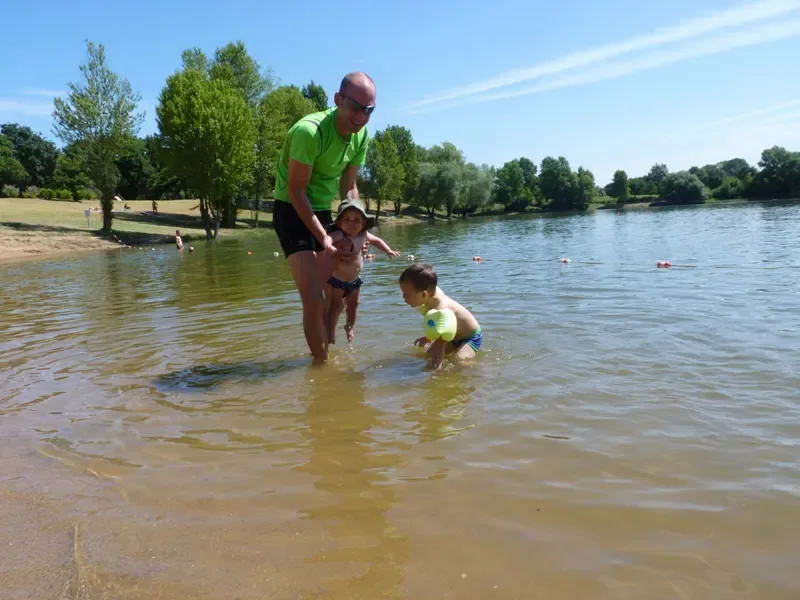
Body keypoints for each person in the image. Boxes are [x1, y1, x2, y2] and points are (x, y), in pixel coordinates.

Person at [272, 72, 376, 363]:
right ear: (338, 99)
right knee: (314, 298)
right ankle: (322, 369)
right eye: (356, 108)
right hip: (291, 209)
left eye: (369, 110)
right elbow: (296, 190)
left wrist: (357, 229)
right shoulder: (310, 132)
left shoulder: (361, 135)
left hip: (321, 210)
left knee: (335, 297)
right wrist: (323, 237)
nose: (361, 117)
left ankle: (323, 367)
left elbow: (349, 186)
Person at [326, 198, 400, 345]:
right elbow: (328, 238)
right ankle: (330, 334)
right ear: (340, 223)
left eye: (356, 220)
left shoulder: (364, 235)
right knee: (335, 308)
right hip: (337, 281)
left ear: (363, 223)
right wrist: (330, 247)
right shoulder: (341, 235)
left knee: (354, 305)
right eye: (346, 219)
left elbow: (377, 241)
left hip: (354, 281)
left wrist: (388, 250)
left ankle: (349, 326)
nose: (351, 223)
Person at [399, 263, 483, 370]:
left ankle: (484, 369)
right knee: (427, 356)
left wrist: (434, 371)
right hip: (452, 335)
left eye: (407, 294)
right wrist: (428, 337)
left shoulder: (441, 311)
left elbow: (440, 344)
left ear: (424, 294)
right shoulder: (431, 293)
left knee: (458, 361)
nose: (403, 297)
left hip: (469, 338)